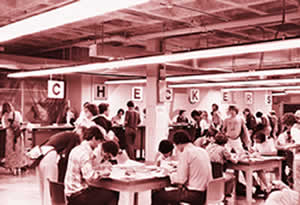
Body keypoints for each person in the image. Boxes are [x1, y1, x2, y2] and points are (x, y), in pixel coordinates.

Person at [152, 130, 212, 205]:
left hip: (193, 194)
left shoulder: (186, 153)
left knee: (158, 195)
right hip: (207, 193)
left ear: (179, 144)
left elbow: (181, 179)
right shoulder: (203, 151)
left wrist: (169, 174)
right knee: (173, 194)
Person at [64, 126, 119, 205]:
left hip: (70, 192)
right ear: (93, 138)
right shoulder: (85, 154)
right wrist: (103, 173)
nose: (98, 145)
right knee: (113, 193)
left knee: (103, 193)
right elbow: (89, 177)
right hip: (77, 194)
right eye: (99, 142)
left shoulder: (77, 149)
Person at [37, 126, 86, 205]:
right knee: (51, 187)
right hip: (51, 157)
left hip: (42, 157)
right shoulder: (73, 137)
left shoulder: (66, 134)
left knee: (45, 186)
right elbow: (68, 156)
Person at [1, 102, 27, 175]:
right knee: (19, 151)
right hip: (18, 134)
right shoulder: (17, 113)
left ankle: (13, 168)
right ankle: (19, 167)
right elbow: (21, 123)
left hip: (10, 135)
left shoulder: (5, 116)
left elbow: (5, 126)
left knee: (11, 152)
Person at [275, 113, 296, 188]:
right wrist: (285, 147)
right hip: (289, 157)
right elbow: (276, 145)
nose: (288, 128)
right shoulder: (284, 134)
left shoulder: (296, 132)